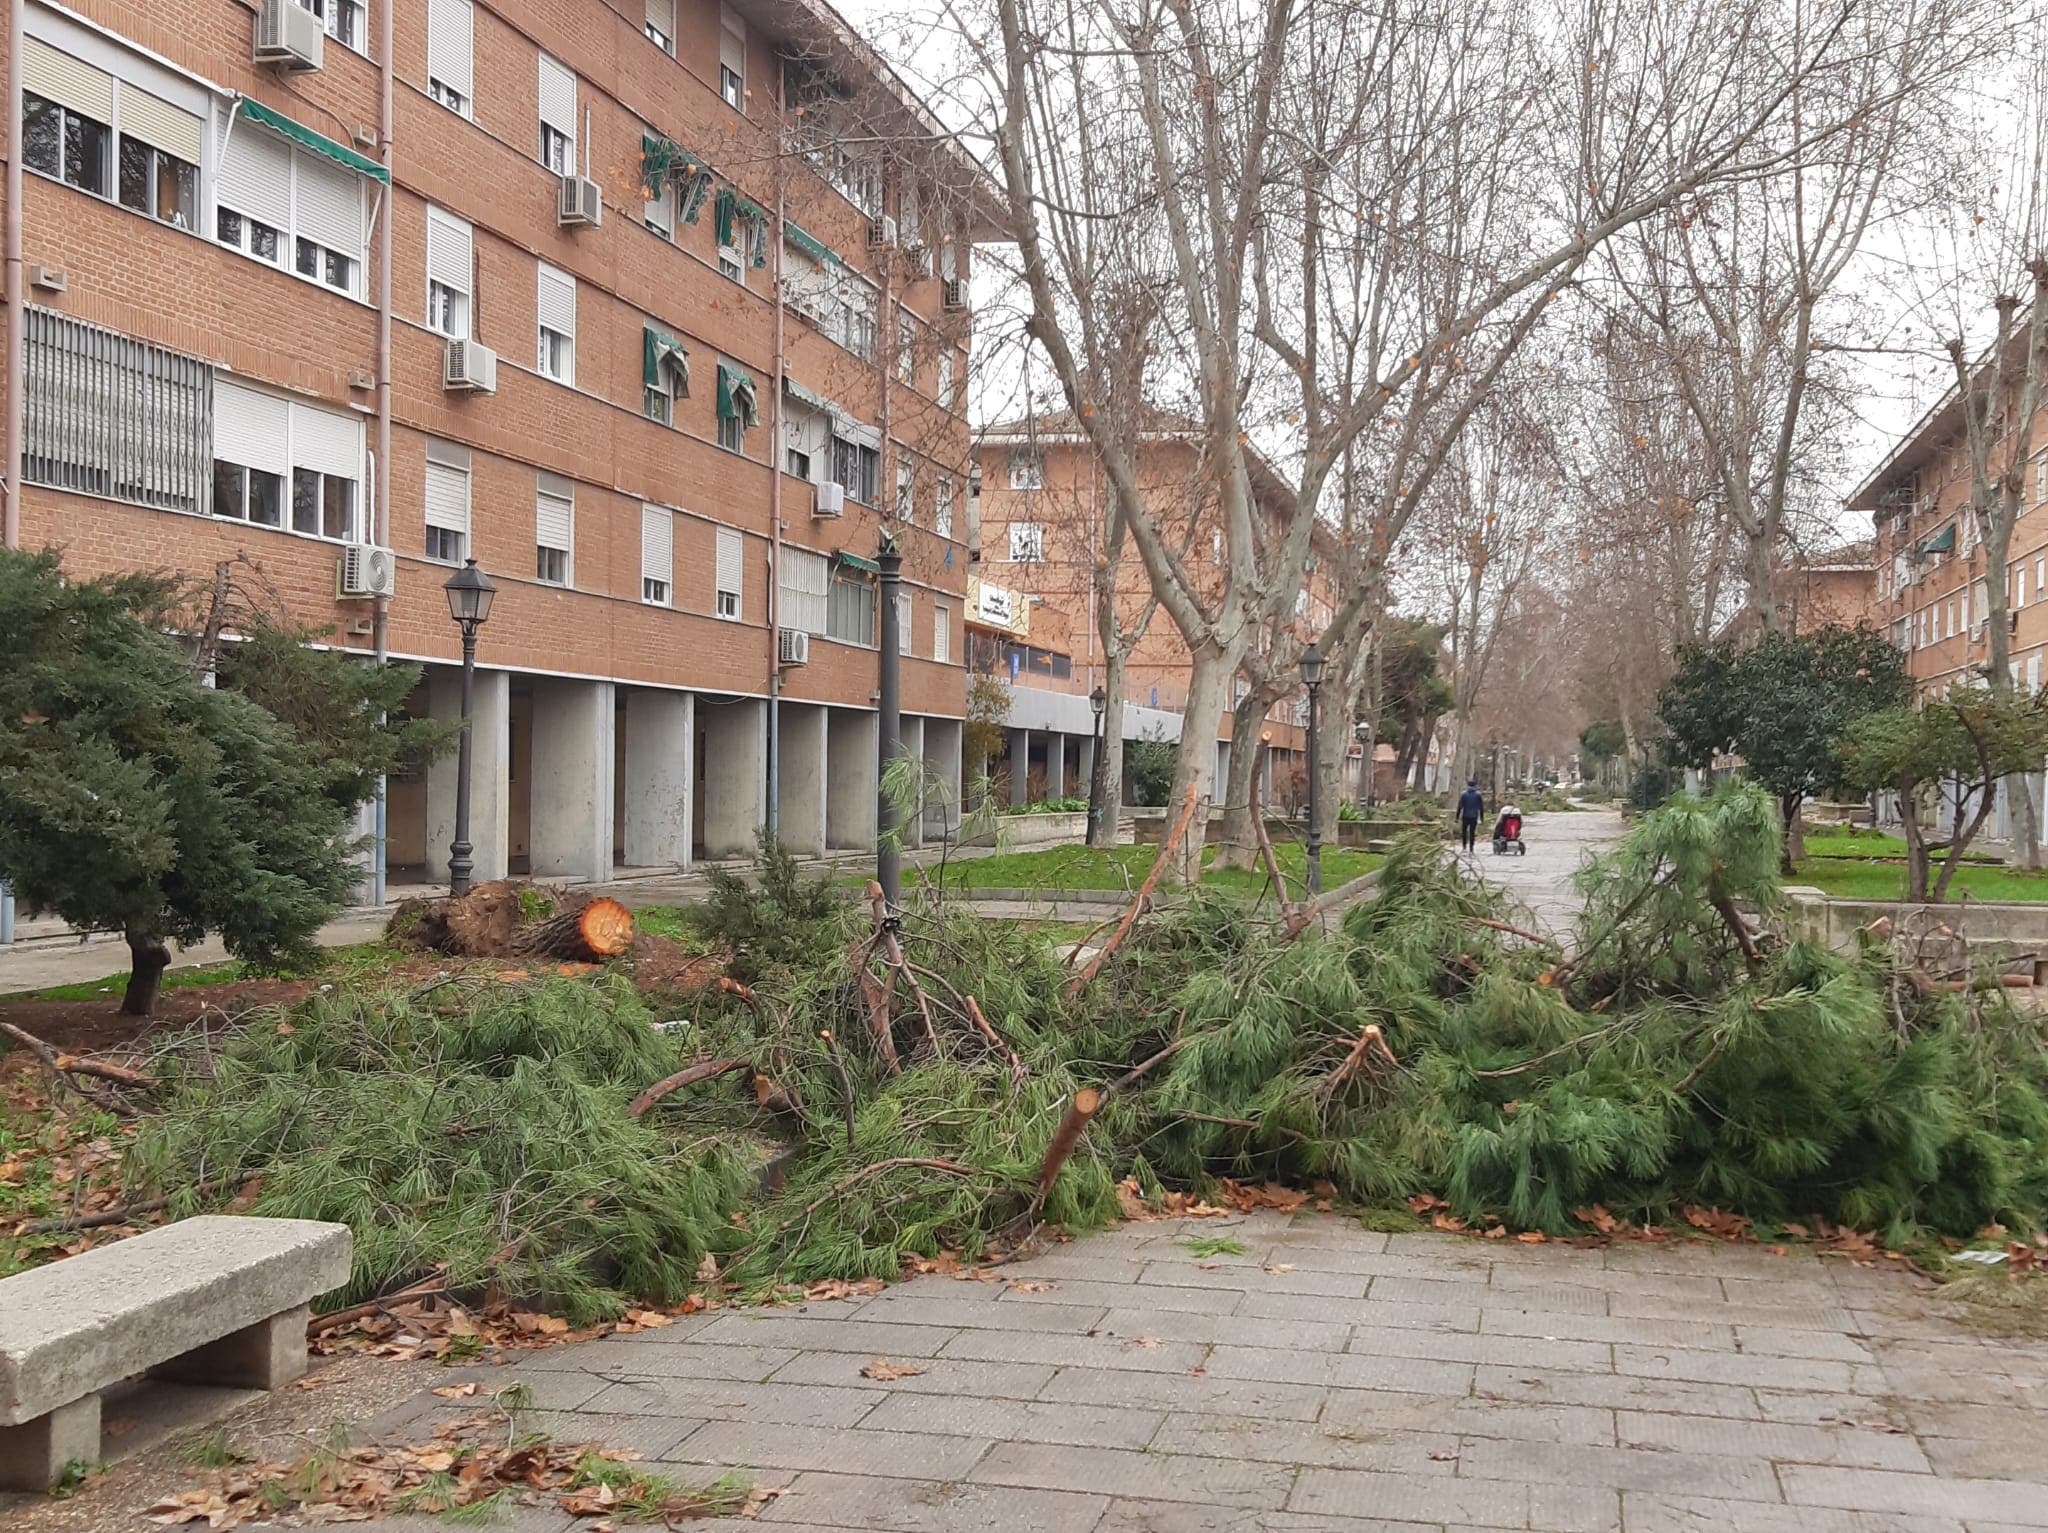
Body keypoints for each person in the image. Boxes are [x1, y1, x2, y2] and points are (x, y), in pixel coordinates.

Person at [1456, 779, 1484, 853]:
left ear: (1467, 785)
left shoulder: (1463, 794)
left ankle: (1464, 847)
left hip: (1465, 815)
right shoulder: (1478, 795)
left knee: (1464, 832)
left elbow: (1459, 806)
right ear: (1475, 785)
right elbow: (1481, 808)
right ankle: (1471, 848)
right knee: (1472, 832)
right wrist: (1482, 818)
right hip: (1474, 816)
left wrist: (1457, 817)